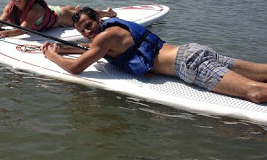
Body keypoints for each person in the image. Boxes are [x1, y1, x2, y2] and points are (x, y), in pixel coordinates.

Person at [42, 6, 267, 104]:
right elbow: (92, 49)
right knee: (261, 72)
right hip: (193, 52)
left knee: (256, 92)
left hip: (188, 64)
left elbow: (75, 68)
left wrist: (53, 56)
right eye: (83, 31)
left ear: (98, 20)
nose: (88, 32)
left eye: (89, 25)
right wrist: (64, 47)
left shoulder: (102, 39)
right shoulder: (111, 29)